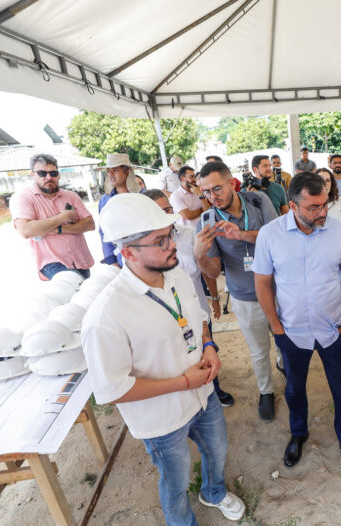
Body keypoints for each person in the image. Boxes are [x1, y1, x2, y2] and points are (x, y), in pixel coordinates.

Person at [81, 193, 245, 525]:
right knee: (176, 481)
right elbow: (113, 390)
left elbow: (199, 317)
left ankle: (213, 492)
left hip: (204, 396)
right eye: (160, 240)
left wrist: (210, 346)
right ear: (127, 252)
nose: (173, 244)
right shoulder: (106, 316)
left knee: (218, 451)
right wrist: (183, 382)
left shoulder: (176, 275)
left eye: (170, 234)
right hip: (161, 419)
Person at [252, 173, 341, 479]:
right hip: (291, 331)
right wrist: (276, 327)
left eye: (324, 204)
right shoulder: (270, 235)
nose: (323, 212)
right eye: (314, 207)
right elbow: (262, 282)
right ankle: (298, 434)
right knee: (293, 389)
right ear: (292, 205)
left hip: (333, 331)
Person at [194, 161, 279, 421]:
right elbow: (213, 269)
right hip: (245, 295)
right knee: (258, 349)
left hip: (279, 289)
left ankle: (285, 366)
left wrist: (240, 234)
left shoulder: (257, 200)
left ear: (232, 183)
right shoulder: (205, 223)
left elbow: (277, 237)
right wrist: (200, 255)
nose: (212, 197)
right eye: (206, 192)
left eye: (217, 189)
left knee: (285, 340)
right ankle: (266, 391)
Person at [144, 188, 234, 408]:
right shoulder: (142, 247)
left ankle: (214, 390)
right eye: (159, 211)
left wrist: (214, 298)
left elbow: (206, 271)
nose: (166, 215)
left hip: (197, 309)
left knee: (206, 349)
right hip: (166, 318)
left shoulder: (188, 235)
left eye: (168, 209)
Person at [10, 153, 95, 279]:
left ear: (58, 174)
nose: (49, 177)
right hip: (52, 263)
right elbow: (26, 230)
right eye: (42, 173)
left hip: (80, 261)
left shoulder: (70, 196)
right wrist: (63, 217)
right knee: (78, 288)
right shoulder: (23, 197)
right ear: (33, 175)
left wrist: (58, 229)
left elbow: (89, 224)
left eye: (53, 173)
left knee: (87, 295)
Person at [98, 153, 142, 267]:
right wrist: (112, 261)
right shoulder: (104, 201)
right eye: (108, 171)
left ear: (127, 171)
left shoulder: (143, 196)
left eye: (115, 170)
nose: (110, 174)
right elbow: (104, 232)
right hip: (120, 260)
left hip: (145, 257)